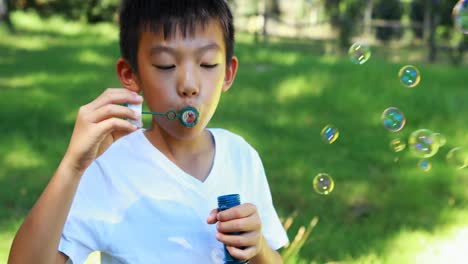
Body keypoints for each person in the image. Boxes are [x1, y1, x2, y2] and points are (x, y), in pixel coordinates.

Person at [8, 0, 289, 263]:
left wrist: (259, 247)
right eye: (166, 65)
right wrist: (72, 167)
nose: (189, 84)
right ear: (131, 75)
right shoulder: (110, 167)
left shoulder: (241, 157)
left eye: (207, 64)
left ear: (228, 73)